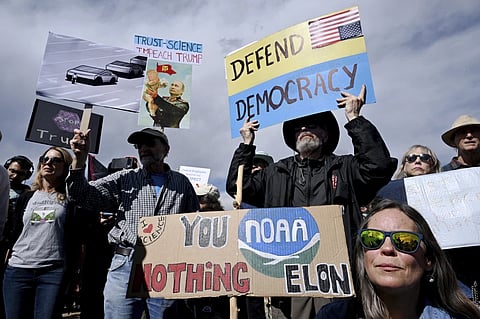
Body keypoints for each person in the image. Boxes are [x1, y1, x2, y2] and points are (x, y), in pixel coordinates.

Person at [226, 84, 398, 319]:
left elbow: (378, 167)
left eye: (313, 125)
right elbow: (238, 187)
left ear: (326, 134)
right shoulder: (275, 172)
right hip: (287, 273)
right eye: (299, 127)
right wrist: (246, 144)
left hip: (337, 272)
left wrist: (354, 119)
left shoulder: (345, 167)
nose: (304, 129)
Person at [67, 127, 199, 319]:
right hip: (126, 264)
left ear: (166, 149)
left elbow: (193, 223)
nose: (143, 148)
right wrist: (79, 159)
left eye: (150, 143)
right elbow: (80, 196)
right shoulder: (124, 178)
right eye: (140, 145)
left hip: (166, 266)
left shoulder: (182, 183)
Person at [316, 199, 480, 319]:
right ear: (363, 255)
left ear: (428, 259)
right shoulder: (332, 316)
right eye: (372, 239)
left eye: (405, 241)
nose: (387, 249)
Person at [3, 146, 74, 319]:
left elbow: (75, 239)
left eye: (56, 160)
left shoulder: (70, 199)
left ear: (65, 167)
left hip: (52, 272)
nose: (48, 163)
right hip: (18, 270)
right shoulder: (26, 197)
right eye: (45, 159)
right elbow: (14, 232)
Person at [439, 114, 480, 298]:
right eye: (462, 133)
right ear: (455, 141)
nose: (469, 135)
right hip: (458, 262)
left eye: (474, 132)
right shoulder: (440, 177)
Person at [0, 155, 33, 319]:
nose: (14, 176)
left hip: (12, 243)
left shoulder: (28, 195)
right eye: (12, 171)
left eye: (20, 174)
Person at [376, 144, 440, 203]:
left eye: (425, 158)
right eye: (411, 158)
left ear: (433, 165)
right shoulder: (387, 189)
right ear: (404, 166)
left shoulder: (443, 187)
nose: (417, 161)